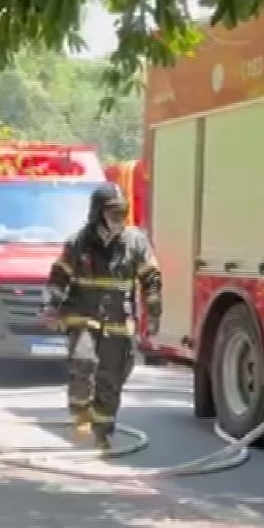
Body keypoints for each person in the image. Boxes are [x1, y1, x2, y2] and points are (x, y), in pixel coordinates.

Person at [43, 182, 163, 451]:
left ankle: (103, 432)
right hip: (81, 313)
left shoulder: (136, 242)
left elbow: (151, 278)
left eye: (122, 211)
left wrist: (154, 313)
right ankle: (80, 409)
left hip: (118, 318)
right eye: (113, 212)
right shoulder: (79, 242)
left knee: (112, 377)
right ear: (98, 212)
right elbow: (59, 276)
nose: (118, 218)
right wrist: (51, 306)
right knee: (83, 360)